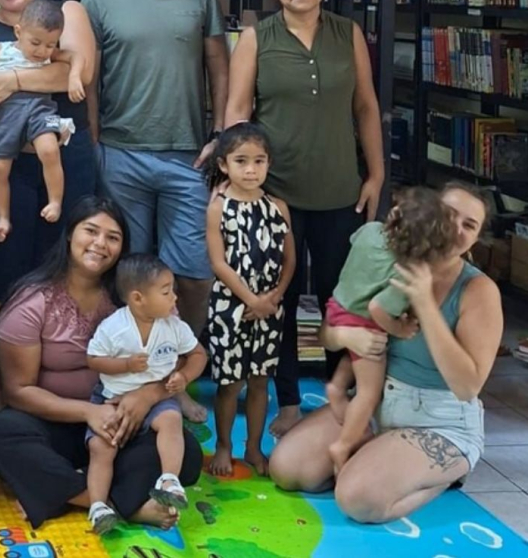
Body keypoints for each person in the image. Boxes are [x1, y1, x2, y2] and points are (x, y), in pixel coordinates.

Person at [225, 0, 385, 437]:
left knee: (345, 299)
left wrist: (376, 175)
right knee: (283, 300)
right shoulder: (257, 38)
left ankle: (344, 395)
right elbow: (237, 112)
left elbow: (365, 108)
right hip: (276, 193)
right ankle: (290, 398)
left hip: (341, 189)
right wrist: (240, 184)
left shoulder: (348, 33)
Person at [83, 0, 229, 426]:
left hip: (189, 156)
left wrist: (220, 134)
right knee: (128, 279)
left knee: (191, 275)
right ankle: (129, 382)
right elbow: (90, 81)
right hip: (120, 153)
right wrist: (95, 141)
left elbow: (219, 65)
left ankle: (177, 380)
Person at [268, 183, 501, 523]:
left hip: (440, 423)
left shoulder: (478, 290)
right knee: (287, 469)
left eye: (470, 225)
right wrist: (347, 333)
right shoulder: (392, 255)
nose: (455, 229)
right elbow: (329, 335)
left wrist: (425, 303)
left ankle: (447, 472)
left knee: (356, 499)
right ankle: (381, 456)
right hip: (376, 404)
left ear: (477, 239)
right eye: (449, 216)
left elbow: (468, 387)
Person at [0, 196, 205, 530]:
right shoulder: (32, 301)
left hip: (124, 424)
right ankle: (114, 503)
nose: (100, 244)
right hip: (58, 425)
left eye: (113, 237)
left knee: (189, 453)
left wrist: (148, 396)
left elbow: (178, 357)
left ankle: (63, 491)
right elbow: (19, 391)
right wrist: (89, 412)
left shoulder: (140, 295)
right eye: (91, 231)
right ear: (70, 234)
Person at [0, 0, 97, 416]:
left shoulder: (68, 11)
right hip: (6, 161)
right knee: (5, 277)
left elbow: (76, 76)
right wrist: (12, 137)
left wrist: (16, 83)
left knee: (69, 271)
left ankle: (59, 386)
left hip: (66, 156)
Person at [324, 188, 457, 473]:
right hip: (363, 319)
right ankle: (344, 444)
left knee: (357, 356)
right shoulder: (403, 270)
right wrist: (399, 327)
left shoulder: (370, 230)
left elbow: (353, 240)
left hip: (337, 305)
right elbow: (377, 309)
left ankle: (336, 386)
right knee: (369, 392)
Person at [85, 254, 208, 534]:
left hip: (157, 399)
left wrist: (184, 376)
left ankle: (168, 480)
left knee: (171, 421)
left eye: (172, 289)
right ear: (138, 298)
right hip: (112, 401)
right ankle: (98, 506)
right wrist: (125, 365)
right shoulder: (114, 327)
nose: (174, 297)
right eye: (166, 292)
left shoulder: (173, 326)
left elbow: (198, 354)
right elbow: (93, 359)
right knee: (100, 448)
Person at [203, 123, 294, 477]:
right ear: (224, 165)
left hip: (270, 308)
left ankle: (253, 446)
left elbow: (290, 259)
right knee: (229, 383)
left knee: (260, 380)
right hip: (231, 308)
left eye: (259, 161)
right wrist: (250, 300)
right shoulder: (218, 208)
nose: (251, 169)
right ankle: (224, 444)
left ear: (269, 164)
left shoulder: (278, 207)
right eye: (241, 161)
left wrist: (274, 296)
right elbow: (218, 262)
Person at [0, 0, 83, 243]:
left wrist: (75, 77)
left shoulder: (49, 53)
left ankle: (55, 201)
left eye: (50, 44)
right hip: (7, 114)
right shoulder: (0, 50)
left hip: (40, 108)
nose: (42, 51)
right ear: (18, 31)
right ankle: (3, 218)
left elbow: (75, 57)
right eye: (35, 43)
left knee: (48, 149)